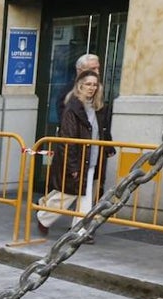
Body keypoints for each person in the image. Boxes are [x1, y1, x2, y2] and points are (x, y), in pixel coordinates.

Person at [38, 69, 114, 238]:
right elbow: (68, 140)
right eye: (88, 84)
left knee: (86, 198)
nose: (92, 88)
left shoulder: (99, 108)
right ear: (80, 86)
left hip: (92, 159)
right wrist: (73, 166)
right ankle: (43, 217)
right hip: (77, 160)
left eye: (95, 84)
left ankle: (80, 230)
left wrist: (108, 148)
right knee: (66, 195)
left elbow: (102, 131)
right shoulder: (72, 108)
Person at [55, 53, 101, 125]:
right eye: (93, 69)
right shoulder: (67, 91)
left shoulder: (99, 91)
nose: (97, 72)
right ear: (79, 70)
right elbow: (65, 122)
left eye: (98, 68)